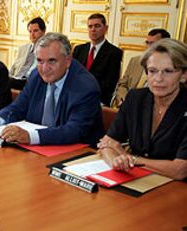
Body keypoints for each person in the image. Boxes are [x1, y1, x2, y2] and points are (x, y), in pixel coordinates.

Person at [0, 32, 104, 147]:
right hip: (38, 150)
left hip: (77, 153)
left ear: (68, 60)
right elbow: (18, 107)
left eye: (51, 61)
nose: (44, 68)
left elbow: (74, 130)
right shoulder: (36, 75)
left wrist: (30, 136)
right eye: (40, 61)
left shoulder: (85, 86)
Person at [98, 38, 187, 180]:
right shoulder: (135, 98)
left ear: (183, 75)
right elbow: (106, 144)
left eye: (168, 71)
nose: (158, 78)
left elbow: (180, 170)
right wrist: (115, 161)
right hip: (136, 179)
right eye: (152, 71)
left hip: (175, 190)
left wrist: (130, 158)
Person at [111, 28, 171, 107]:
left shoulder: (169, 68)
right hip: (127, 104)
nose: (148, 47)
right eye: (147, 43)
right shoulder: (135, 61)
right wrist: (126, 99)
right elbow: (122, 84)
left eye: (153, 43)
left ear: (165, 45)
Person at [73, 13, 123, 106]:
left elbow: (110, 83)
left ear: (106, 28)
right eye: (90, 26)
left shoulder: (114, 53)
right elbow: (72, 75)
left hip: (98, 100)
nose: (93, 29)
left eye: (97, 26)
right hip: (75, 97)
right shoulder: (79, 49)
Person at [9, 17, 46, 90]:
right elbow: (14, 67)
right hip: (17, 79)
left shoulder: (47, 49)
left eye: (35, 31)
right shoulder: (23, 48)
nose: (32, 34)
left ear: (43, 31)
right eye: (30, 31)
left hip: (31, 82)